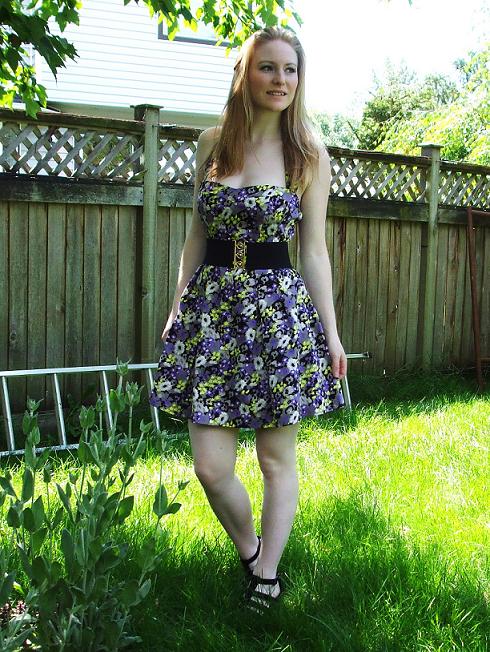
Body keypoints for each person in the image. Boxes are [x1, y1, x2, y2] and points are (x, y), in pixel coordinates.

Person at [149, 25, 347, 611]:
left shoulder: (308, 154)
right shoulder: (212, 143)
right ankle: (250, 550)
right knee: (210, 467)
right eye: (268, 67)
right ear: (245, 73)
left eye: (290, 69)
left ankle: (267, 574)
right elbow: (196, 235)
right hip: (212, 313)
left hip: (276, 316)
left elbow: (314, 252)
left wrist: (331, 334)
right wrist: (179, 304)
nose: (280, 80)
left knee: (274, 458)